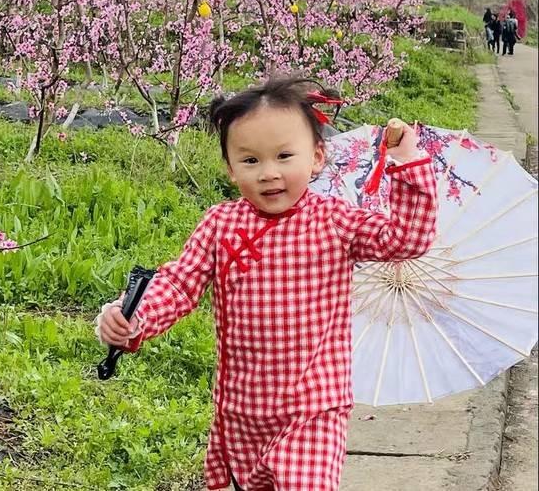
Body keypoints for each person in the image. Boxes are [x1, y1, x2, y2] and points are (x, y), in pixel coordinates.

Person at [95, 76, 437, 491]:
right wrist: (133, 318)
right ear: (229, 166)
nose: (269, 173)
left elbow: (406, 238)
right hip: (240, 411)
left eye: (284, 156)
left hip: (314, 407)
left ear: (316, 157)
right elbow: (179, 283)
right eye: (251, 160)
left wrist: (408, 163)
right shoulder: (221, 226)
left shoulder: (334, 221)